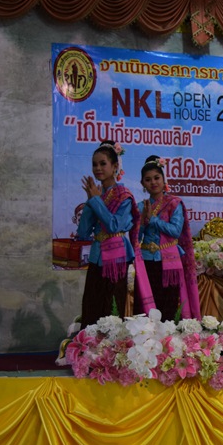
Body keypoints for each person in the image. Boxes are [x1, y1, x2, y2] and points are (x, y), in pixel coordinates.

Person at [75, 140, 140, 327]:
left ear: (115, 166)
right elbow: (83, 232)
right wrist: (90, 202)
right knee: (92, 306)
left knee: (112, 307)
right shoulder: (97, 194)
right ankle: (91, 343)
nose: (98, 168)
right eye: (94, 164)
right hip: (97, 256)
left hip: (116, 259)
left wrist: (96, 200)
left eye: (103, 163)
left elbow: (113, 226)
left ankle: (112, 345)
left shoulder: (124, 195)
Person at [134, 155, 201, 321]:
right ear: (142, 184)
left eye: (157, 178)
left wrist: (152, 219)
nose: (153, 182)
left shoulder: (174, 203)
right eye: (148, 179)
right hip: (147, 260)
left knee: (167, 308)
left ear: (164, 179)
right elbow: (137, 237)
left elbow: (175, 231)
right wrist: (142, 222)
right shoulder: (140, 206)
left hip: (169, 262)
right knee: (145, 308)